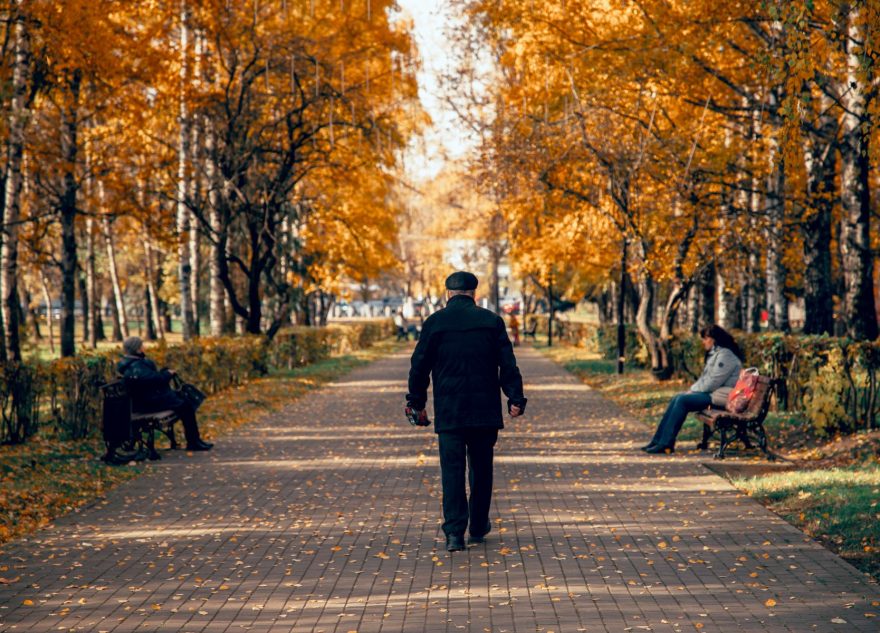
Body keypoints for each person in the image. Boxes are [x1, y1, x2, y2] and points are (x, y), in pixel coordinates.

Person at [406, 271, 528, 552]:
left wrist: (416, 402)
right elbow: (507, 363)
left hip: (450, 412)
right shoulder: (491, 322)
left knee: (452, 471)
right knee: (482, 469)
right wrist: (515, 398)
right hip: (484, 411)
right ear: (474, 292)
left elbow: (419, 365)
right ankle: (478, 525)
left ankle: (454, 534)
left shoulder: (435, 323)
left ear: (447, 292)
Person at [642, 324, 743, 454]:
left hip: (720, 397)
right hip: (713, 394)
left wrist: (693, 390)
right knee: (677, 398)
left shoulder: (726, 356)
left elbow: (713, 382)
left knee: (682, 400)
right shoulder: (717, 354)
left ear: (714, 339)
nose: (703, 342)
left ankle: (665, 443)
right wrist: (693, 390)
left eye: (705, 338)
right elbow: (704, 379)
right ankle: (657, 441)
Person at [118, 336, 213, 451]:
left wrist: (165, 373)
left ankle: (194, 440)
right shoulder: (136, 366)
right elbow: (153, 379)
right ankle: (193, 441)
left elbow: (151, 379)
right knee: (185, 406)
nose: (144, 347)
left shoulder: (132, 363)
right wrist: (167, 374)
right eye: (142, 345)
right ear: (137, 349)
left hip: (147, 399)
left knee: (185, 402)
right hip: (147, 403)